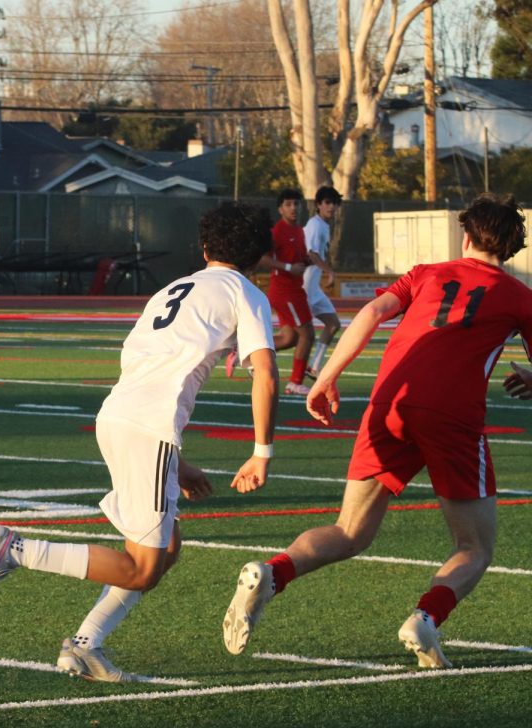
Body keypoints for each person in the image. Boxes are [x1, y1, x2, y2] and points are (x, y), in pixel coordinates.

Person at [0, 202, 280, 682]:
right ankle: (17, 549)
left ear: (204, 247)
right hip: (145, 428)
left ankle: (85, 645)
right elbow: (267, 375)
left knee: (167, 548)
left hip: (119, 418)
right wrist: (261, 453)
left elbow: (146, 368)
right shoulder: (245, 292)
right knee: (142, 569)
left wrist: (178, 461)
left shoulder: (171, 290)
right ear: (260, 255)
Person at [222, 193, 532, 669]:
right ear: (511, 250)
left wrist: (324, 379)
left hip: (389, 401)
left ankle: (272, 572)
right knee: (475, 546)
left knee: (350, 531)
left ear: (466, 235)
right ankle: (425, 618)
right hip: (451, 416)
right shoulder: (518, 296)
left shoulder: (427, 272)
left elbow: (369, 314)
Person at [227, 189, 313, 395]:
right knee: (308, 334)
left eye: (296, 204)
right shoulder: (277, 231)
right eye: (288, 204)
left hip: (295, 289)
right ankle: (295, 382)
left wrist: (305, 262)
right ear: (280, 209)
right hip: (284, 291)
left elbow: (297, 258)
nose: (293, 208)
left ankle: (244, 352)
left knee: (289, 338)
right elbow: (262, 258)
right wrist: (290, 268)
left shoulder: (300, 231)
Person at [302, 186, 343, 378]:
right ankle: (243, 355)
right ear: (318, 205)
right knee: (295, 336)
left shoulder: (324, 226)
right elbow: (311, 253)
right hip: (303, 287)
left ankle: (314, 367)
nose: (331, 206)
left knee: (333, 324)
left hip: (314, 288)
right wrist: (330, 272)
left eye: (334, 203)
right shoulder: (314, 225)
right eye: (327, 202)